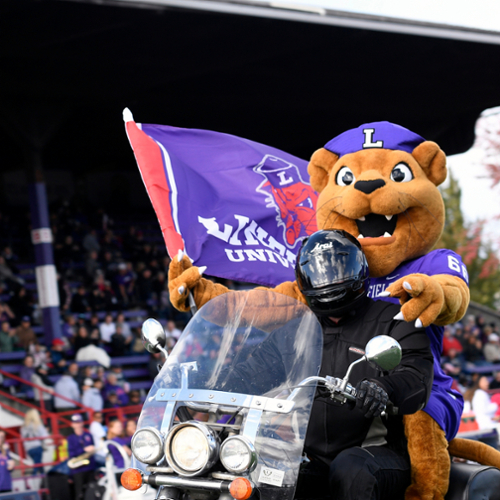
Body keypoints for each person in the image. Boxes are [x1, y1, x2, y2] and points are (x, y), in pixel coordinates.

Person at [225, 230, 433, 500]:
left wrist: (383, 387)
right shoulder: (294, 332)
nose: (328, 280)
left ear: (358, 268)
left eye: (337, 269)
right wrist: (208, 381)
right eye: (320, 273)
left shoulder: (393, 320)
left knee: (352, 470)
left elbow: (416, 376)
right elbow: (250, 373)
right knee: (260, 473)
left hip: (376, 454)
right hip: (311, 457)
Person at [67, 414, 96, 500]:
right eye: (75, 423)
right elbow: (71, 453)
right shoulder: (71, 438)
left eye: (79, 422)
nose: (78, 425)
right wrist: (84, 450)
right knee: (79, 493)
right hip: (78, 468)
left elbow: (93, 449)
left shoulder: (88, 435)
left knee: (92, 490)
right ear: (72, 424)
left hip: (89, 467)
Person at [20, 408, 49, 475]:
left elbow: (22, 439)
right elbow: (45, 435)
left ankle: (43, 475)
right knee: (37, 463)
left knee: (38, 462)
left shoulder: (23, 427)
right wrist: (45, 431)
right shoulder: (37, 425)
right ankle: (35, 473)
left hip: (28, 449)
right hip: (37, 447)